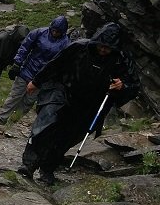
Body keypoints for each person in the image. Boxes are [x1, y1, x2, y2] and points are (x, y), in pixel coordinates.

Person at [18, 22, 139, 185]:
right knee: (44, 126)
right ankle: (28, 164)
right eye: (101, 46)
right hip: (62, 91)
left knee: (66, 138)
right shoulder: (78, 48)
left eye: (108, 48)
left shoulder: (121, 60)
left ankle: (47, 170)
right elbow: (55, 64)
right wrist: (36, 81)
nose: (103, 50)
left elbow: (134, 85)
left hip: (90, 105)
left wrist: (123, 85)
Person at [0, 16, 70, 125]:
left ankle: (12, 121)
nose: (55, 33)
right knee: (15, 96)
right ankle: (1, 119)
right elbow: (25, 47)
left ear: (62, 32)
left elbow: (62, 63)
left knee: (28, 102)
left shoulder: (66, 43)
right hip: (27, 70)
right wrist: (17, 63)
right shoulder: (39, 32)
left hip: (42, 78)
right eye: (53, 30)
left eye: (58, 31)